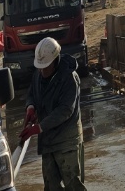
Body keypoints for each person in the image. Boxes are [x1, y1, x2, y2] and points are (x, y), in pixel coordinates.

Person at [24, 37, 84, 191]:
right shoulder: (39, 74)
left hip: (67, 140)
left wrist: (39, 127)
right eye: (40, 67)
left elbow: (65, 110)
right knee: (51, 186)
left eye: (46, 67)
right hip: (48, 141)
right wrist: (31, 107)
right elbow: (32, 93)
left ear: (55, 61)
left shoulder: (69, 78)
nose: (42, 70)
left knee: (73, 185)